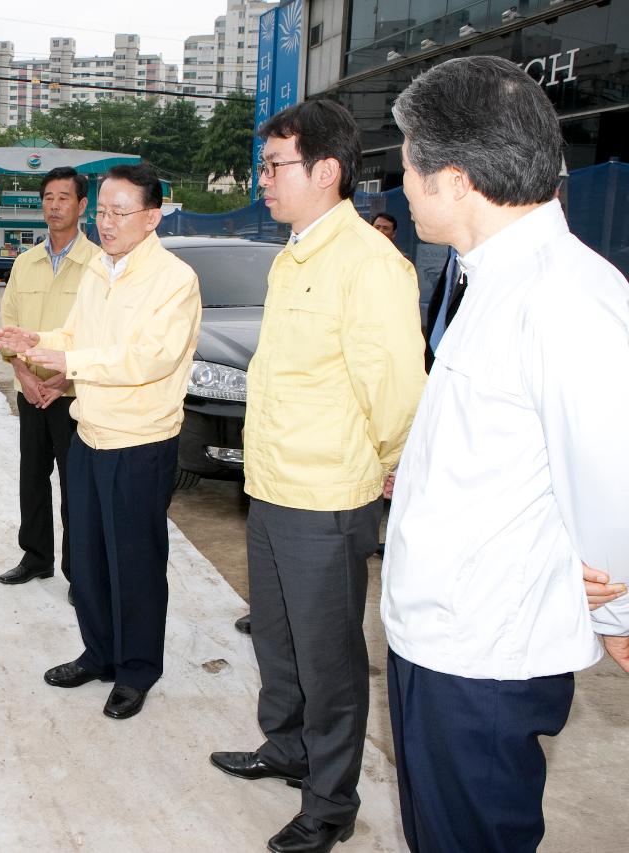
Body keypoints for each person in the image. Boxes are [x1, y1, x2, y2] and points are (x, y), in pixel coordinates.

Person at [383, 55, 629, 852]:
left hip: (485, 658)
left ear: (454, 179)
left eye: (412, 163)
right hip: (442, 636)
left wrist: (620, 610)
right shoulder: (491, 276)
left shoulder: (565, 295)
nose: (405, 183)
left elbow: (611, 479)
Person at [209, 100, 426, 853]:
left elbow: (397, 392)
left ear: (327, 171)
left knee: (330, 661)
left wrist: (387, 466)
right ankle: (287, 746)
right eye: (262, 165)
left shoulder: (371, 265)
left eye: (275, 166)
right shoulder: (293, 253)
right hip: (272, 488)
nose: (261, 180)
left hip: (327, 498)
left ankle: (330, 803)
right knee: (277, 641)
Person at [0, 164, 200, 721]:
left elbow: (150, 357)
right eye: (102, 211)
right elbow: (76, 336)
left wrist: (70, 360)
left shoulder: (174, 280)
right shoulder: (99, 272)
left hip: (140, 442)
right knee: (86, 559)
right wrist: (37, 340)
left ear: (152, 217)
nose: (106, 223)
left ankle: (135, 671)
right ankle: (99, 652)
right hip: (91, 433)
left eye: (119, 212)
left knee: (133, 563)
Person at [0, 167, 99, 596]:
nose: (54, 205)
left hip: (73, 396)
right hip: (30, 392)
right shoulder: (25, 263)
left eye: (63, 197)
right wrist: (23, 373)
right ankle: (36, 558)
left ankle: (79, 571)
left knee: (77, 487)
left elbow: (98, 335)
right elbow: (9, 327)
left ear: (81, 205)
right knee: (31, 478)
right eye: (48, 197)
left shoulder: (97, 265)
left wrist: (60, 380)